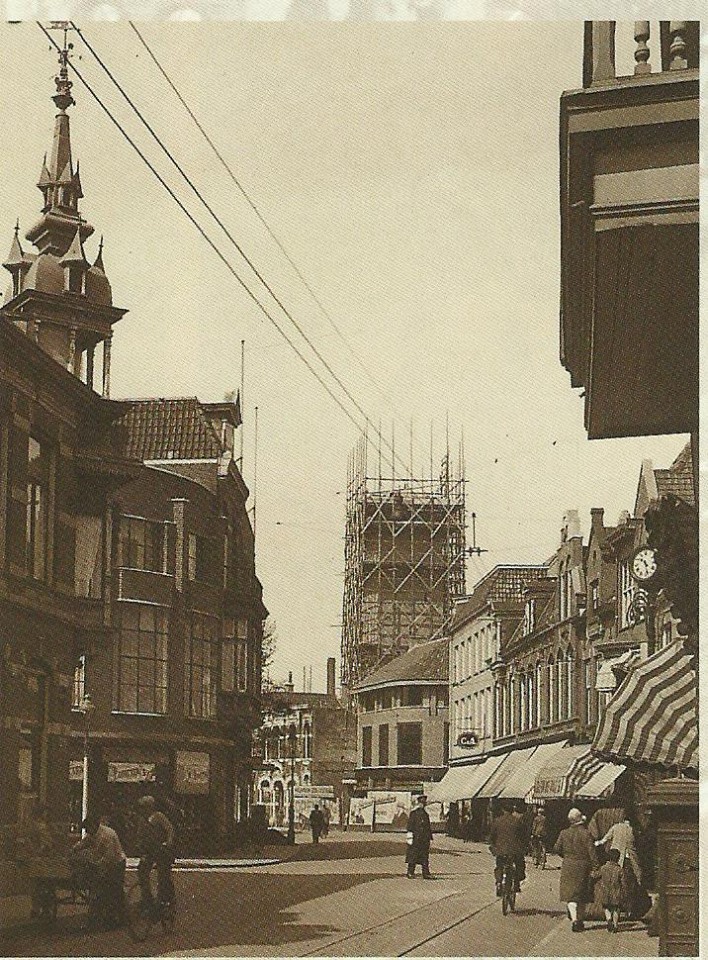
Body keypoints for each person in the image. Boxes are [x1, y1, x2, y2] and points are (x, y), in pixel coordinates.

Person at [71, 813, 126, 928]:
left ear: (93, 826)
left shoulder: (106, 835)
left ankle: (119, 918)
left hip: (116, 862)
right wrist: (74, 849)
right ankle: (103, 916)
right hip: (104, 861)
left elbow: (108, 857)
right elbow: (85, 842)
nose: (87, 832)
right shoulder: (93, 833)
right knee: (102, 889)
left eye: (87, 829)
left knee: (113, 890)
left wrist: (99, 869)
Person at [554, 807, 598, 932]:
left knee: (571, 896)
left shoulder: (563, 833)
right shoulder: (586, 833)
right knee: (582, 895)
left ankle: (574, 920)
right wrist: (596, 866)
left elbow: (556, 848)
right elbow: (592, 852)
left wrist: (566, 856)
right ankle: (580, 920)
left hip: (568, 866)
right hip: (583, 866)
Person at [136, 795, 175, 915]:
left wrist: (168, 842)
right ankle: (147, 899)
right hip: (149, 850)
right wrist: (140, 848)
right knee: (142, 871)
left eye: (144, 807)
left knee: (163, 875)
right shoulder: (142, 820)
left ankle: (164, 900)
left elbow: (169, 829)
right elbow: (140, 835)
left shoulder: (158, 816)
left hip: (161, 849)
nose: (142, 810)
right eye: (141, 807)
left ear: (150, 807)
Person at [489, 803, 526, 894]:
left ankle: (499, 882)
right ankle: (516, 883)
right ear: (512, 810)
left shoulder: (497, 821)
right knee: (519, 864)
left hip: (500, 850)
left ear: (503, 810)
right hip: (515, 850)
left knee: (499, 866)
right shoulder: (517, 821)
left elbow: (492, 836)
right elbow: (523, 836)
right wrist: (524, 846)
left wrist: (493, 846)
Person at [597, 816, 642, 884]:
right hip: (628, 855)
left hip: (616, 854)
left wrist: (599, 842)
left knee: (614, 872)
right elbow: (635, 843)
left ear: (623, 821)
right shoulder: (632, 829)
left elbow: (606, 838)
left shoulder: (616, 827)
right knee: (633, 871)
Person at [594, 848, 623, 933]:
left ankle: (609, 920)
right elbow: (623, 882)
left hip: (605, 892)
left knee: (606, 908)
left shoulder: (603, 868)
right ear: (618, 858)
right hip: (616, 892)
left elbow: (595, 875)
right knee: (616, 909)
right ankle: (615, 925)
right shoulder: (619, 870)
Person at [405, 795, 433, 879]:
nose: (422, 805)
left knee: (425, 856)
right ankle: (410, 872)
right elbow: (410, 826)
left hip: (424, 839)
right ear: (418, 803)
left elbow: (428, 827)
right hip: (415, 838)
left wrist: (429, 837)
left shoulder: (426, 814)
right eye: (421, 803)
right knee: (413, 855)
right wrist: (409, 837)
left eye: (424, 803)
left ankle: (426, 873)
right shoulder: (414, 813)